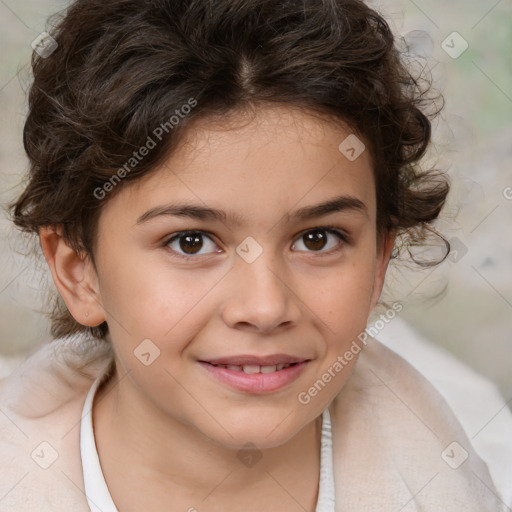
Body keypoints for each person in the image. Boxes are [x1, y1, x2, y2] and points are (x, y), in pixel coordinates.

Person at [0, 0, 505, 510]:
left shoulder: (453, 480)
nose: (265, 309)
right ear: (78, 271)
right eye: (191, 241)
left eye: (317, 239)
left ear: (378, 262)